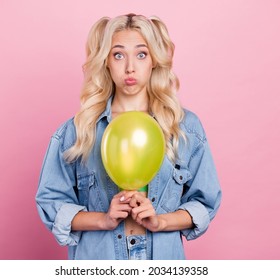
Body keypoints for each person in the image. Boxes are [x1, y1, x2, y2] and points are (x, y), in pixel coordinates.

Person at [35, 13, 222, 260]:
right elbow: (50, 202)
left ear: (154, 60)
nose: (130, 67)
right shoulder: (78, 130)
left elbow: (205, 202)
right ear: (107, 61)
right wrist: (104, 219)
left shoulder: (185, 127)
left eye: (141, 54)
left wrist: (160, 221)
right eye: (119, 54)